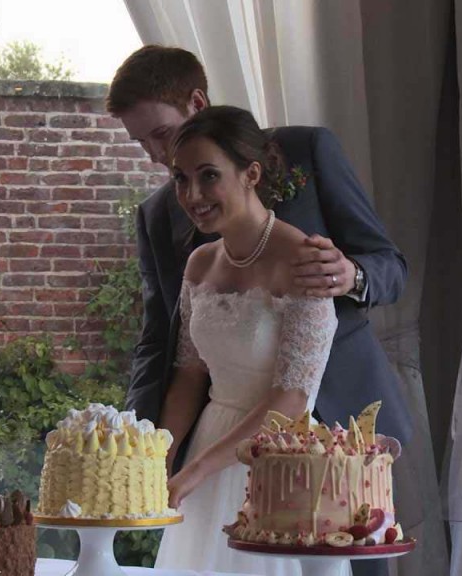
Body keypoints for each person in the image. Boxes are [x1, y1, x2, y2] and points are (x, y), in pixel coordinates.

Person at [107, 46, 411, 576]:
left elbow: (389, 262)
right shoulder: (168, 225)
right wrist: (152, 451)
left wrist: (351, 276)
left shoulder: (307, 152)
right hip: (218, 437)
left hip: (330, 436)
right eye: (144, 145)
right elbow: (166, 346)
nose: (157, 158)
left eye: (159, 134)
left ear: (251, 174)